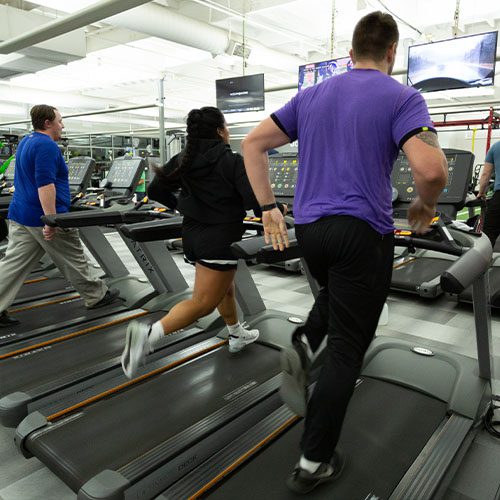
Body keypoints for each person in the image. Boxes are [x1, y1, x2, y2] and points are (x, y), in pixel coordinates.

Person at [241, 11, 448, 495]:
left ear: (350, 53)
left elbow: (252, 146)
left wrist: (269, 209)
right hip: (362, 231)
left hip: (312, 231)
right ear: (392, 53)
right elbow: (433, 170)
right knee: (349, 349)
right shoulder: (403, 97)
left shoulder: (312, 94)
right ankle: (314, 461)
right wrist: (425, 204)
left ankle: (306, 339)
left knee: (337, 293)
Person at [121, 106, 286, 379]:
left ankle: (236, 334)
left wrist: (184, 206)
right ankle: (148, 336)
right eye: (227, 127)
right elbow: (254, 201)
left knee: (225, 287)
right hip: (219, 239)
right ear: (221, 130)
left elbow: (155, 189)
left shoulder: (184, 157)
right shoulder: (231, 161)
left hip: (193, 235)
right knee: (202, 303)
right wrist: (277, 208)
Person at [0, 105, 119, 327]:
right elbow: (45, 184)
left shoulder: (26, 141)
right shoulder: (46, 146)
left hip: (20, 214)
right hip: (42, 216)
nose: (62, 125)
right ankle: (96, 296)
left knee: (12, 264)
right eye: (60, 121)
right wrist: (51, 219)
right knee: (74, 258)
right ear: (48, 123)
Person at [477, 140, 500, 247]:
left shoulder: (495, 147)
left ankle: (484, 261)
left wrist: (481, 193)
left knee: (489, 234)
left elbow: (486, 174)